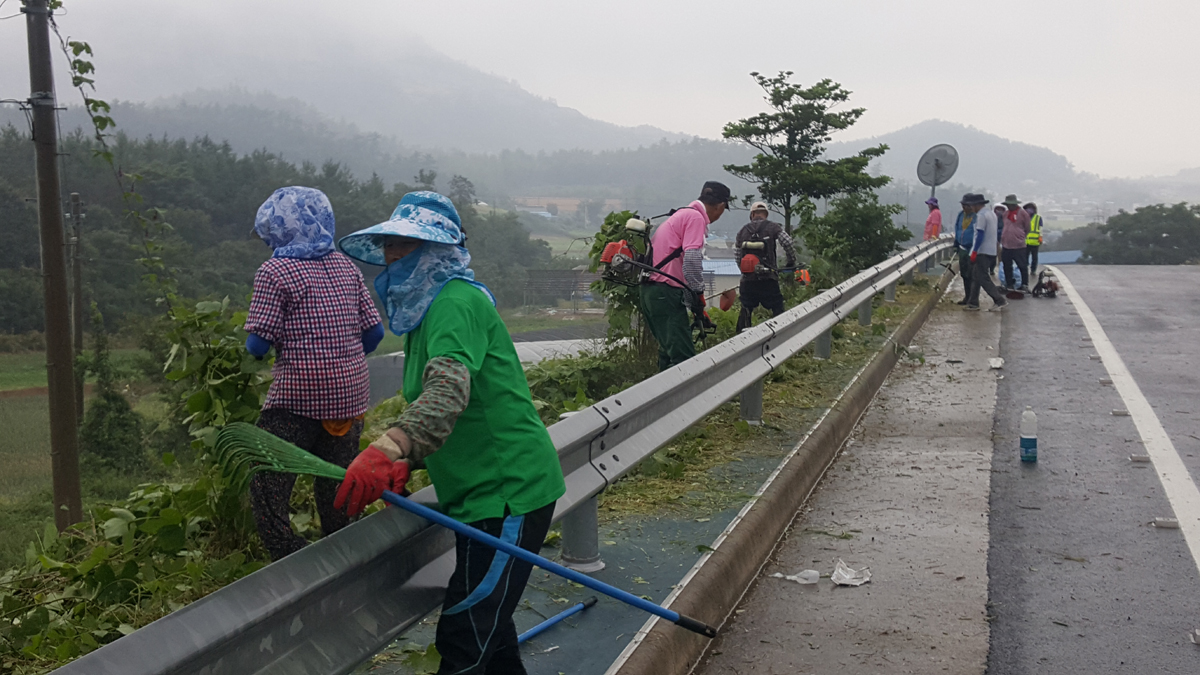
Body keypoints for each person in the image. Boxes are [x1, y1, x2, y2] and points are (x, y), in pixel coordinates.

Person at [335, 191, 566, 675]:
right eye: (390, 247)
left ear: (437, 251)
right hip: (477, 496)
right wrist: (409, 458)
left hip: (507, 494)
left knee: (465, 640)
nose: (394, 258)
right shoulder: (425, 313)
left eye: (407, 247)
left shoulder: (455, 304)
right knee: (491, 639)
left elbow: (448, 391)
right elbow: (440, 406)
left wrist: (390, 446)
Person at [243, 186, 385, 561]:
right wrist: (342, 360)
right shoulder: (345, 266)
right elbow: (375, 333)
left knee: (267, 481)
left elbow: (258, 345)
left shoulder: (275, 270)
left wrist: (261, 347)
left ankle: (290, 557)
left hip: (297, 397)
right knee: (337, 479)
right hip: (349, 395)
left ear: (277, 230)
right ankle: (344, 555)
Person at [639, 181, 729, 370]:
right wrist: (698, 293)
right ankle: (687, 399)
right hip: (665, 292)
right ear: (720, 206)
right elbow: (691, 259)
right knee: (684, 360)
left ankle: (662, 397)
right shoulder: (695, 218)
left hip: (650, 290)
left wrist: (694, 305)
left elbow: (678, 266)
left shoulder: (680, 215)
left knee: (668, 352)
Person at [734, 201, 797, 332]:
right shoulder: (773, 227)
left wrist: (744, 269)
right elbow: (788, 242)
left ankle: (740, 342)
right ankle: (781, 337)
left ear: (752, 214)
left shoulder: (742, 231)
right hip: (769, 278)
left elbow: (737, 254)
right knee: (777, 308)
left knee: (746, 309)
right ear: (766, 214)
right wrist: (791, 261)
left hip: (748, 280)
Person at [965, 194, 1008, 311]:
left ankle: (999, 299)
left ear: (976, 205)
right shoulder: (991, 214)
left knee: (982, 277)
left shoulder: (981, 216)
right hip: (991, 250)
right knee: (976, 276)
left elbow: (980, 234)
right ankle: (973, 302)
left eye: (972, 205)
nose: (971, 208)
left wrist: (974, 251)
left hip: (982, 251)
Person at [999, 194, 1031, 292]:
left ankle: (1024, 284)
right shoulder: (1005, 214)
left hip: (1019, 245)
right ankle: (1009, 284)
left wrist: (1020, 236)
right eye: (1008, 204)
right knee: (1007, 266)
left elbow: (1027, 228)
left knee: (1022, 265)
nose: (1010, 206)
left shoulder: (1023, 213)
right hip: (1006, 245)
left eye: (1011, 204)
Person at [952, 193, 977, 305]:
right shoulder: (961, 215)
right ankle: (967, 296)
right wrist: (956, 243)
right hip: (962, 247)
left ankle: (972, 298)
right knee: (964, 274)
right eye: (963, 205)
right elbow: (957, 228)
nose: (965, 208)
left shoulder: (976, 217)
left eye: (967, 205)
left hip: (972, 249)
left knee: (972, 275)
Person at [1024, 202, 1043, 278]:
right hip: (1026, 241)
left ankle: (1033, 270)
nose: (1029, 211)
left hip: (1035, 241)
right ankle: (1025, 269)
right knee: (1025, 257)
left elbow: (1041, 229)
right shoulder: (1024, 217)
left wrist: (1040, 238)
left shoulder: (1038, 218)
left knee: (1034, 257)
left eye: (1030, 209)